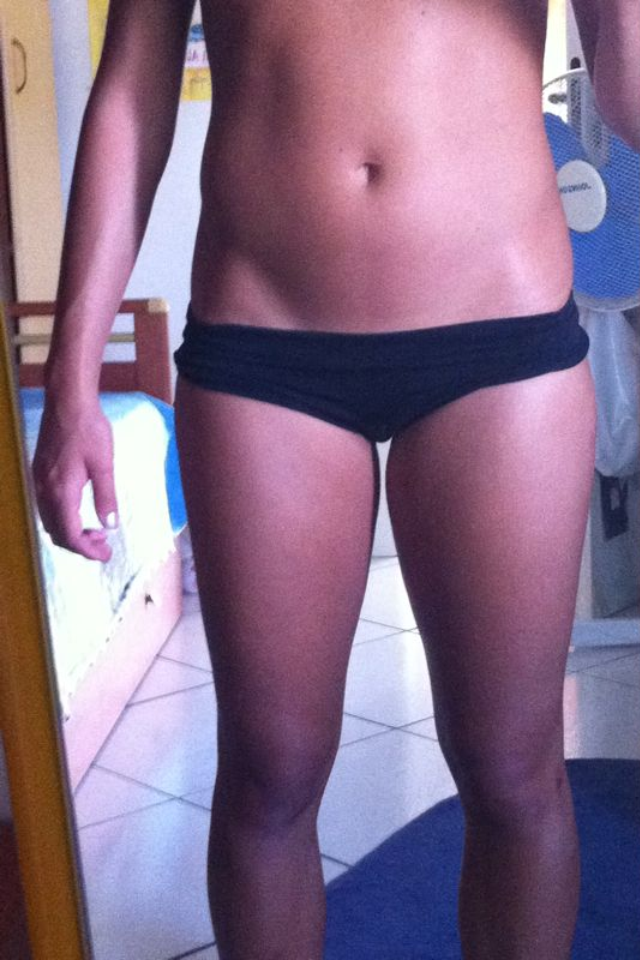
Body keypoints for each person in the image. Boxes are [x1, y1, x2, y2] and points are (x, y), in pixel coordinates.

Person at [32, 1, 637, 957]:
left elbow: (627, 89)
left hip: (502, 328)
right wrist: (71, 381)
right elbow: (132, 91)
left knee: (514, 773)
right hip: (263, 337)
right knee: (268, 774)